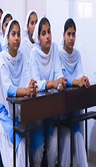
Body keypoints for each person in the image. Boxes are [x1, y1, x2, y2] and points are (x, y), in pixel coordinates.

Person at [0, 20, 36, 167]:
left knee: (24, 145)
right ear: (7, 37)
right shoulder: (2, 59)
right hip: (5, 115)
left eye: (19, 34)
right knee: (18, 147)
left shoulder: (22, 56)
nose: (17, 38)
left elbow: (27, 77)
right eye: (13, 34)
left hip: (20, 113)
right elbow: (8, 89)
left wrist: (30, 86)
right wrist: (25, 90)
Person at [29, 17, 67, 167]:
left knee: (54, 142)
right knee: (38, 152)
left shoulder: (55, 49)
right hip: (37, 111)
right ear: (38, 38)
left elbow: (58, 72)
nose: (47, 36)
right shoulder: (34, 54)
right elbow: (36, 83)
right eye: (43, 33)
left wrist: (61, 84)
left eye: (49, 32)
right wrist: (53, 84)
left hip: (51, 109)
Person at [59, 18, 90, 167]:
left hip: (74, 104)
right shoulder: (59, 54)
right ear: (63, 35)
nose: (71, 38)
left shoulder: (77, 55)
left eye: (73, 34)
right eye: (69, 34)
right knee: (67, 138)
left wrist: (83, 81)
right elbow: (62, 78)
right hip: (61, 105)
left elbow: (80, 74)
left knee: (77, 134)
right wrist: (76, 82)